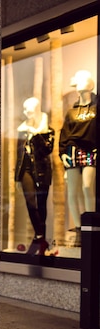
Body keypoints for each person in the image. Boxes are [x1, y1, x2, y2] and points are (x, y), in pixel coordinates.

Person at [59, 70, 97, 245]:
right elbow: (64, 134)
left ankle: (92, 226)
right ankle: (80, 229)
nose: (79, 83)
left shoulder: (97, 108)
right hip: (72, 151)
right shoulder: (71, 112)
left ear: (90, 84)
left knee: (87, 186)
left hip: (91, 150)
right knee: (72, 192)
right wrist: (62, 154)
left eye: (82, 80)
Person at [15, 97, 54, 255]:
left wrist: (36, 134)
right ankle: (40, 237)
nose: (26, 113)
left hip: (42, 170)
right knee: (31, 203)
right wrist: (17, 177)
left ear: (37, 110)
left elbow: (46, 150)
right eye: (24, 110)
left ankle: (40, 240)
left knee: (41, 206)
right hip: (26, 171)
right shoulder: (22, 131)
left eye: (29, 110)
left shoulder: (48, 131)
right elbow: (19, 156)